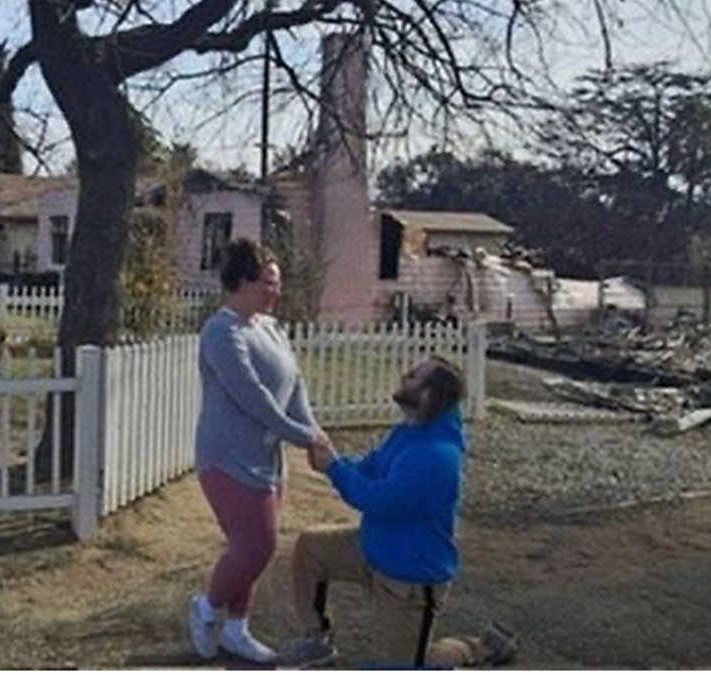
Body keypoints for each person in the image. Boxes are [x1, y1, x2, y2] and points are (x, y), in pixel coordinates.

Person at [279, 356, 517, 669]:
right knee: (312, 548)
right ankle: (316, 640)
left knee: (414, 665)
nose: (405, 377)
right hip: (375, 547)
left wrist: (334, 468)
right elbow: (371, 467)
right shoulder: (409, 431)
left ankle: (477, 648)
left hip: (409, 581)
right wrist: (334, 460)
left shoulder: (436, 456)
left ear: (430, 395)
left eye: (414, 376)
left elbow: (378, 500)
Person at [188, 238, 332, 664]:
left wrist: (314, 431)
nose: (276, 290)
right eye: (269, 281)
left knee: (250, 547)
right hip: (226, 457)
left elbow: (294, 386)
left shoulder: (270, 328)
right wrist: (303, 437)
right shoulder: (221, 332)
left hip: (267, 457)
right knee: (256, 547)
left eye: (277, 282)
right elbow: (254, 398)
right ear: (243, 281)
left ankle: (236, 629)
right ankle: (206, 608)